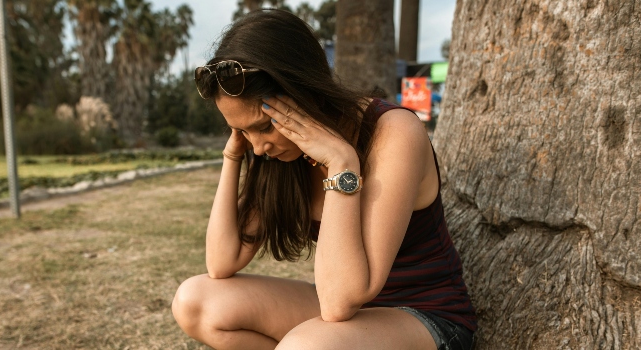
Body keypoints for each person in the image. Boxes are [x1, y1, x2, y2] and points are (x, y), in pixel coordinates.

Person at [171, 9, 476, 350]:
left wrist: (341, 162)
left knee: (307, 346)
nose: (258, 147)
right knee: (195, 302)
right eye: (241, 130)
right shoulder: (278, 154)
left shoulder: (394, 132)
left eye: (263, 126)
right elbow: (221, 262)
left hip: (425, 318)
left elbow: (339, 301)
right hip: (347, 320)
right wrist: (233, 156)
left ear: (304, 93)